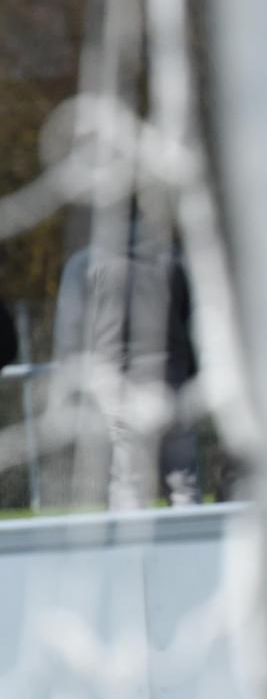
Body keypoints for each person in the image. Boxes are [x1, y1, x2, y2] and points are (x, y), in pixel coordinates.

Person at [54, 209, 200, 508]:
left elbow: (69, 334)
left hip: (116, 384)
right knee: (183, 480)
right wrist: (193, 374)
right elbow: (194, 323)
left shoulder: (85, 263)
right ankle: (196, 548)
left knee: (128, 483)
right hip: (170, 379)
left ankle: (132, 552)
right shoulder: (173, 257)